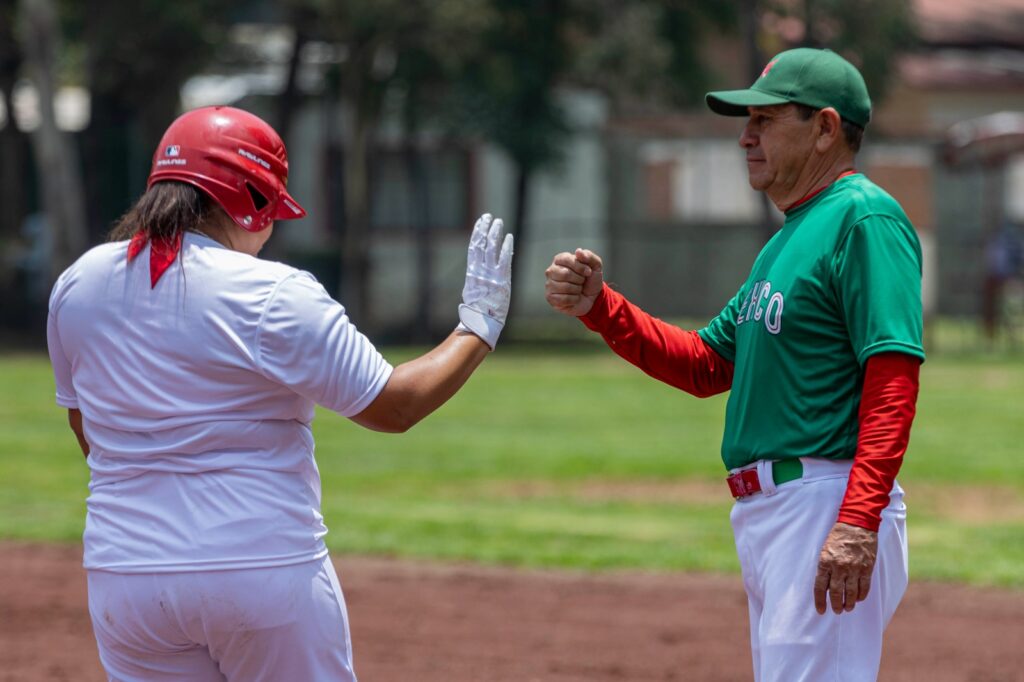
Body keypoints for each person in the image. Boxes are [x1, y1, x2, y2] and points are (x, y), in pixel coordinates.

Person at [46, 105, 513, 681]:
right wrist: (479, 325)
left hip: (125, 577)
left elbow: (88, 432)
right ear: (251, 199)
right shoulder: (273, 291)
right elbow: (395, 405)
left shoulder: (78, 283)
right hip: (260, 568)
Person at [545, 48, 923, 681]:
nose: (745, 136)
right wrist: (601, 308)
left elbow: (892, 379)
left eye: (767, 119)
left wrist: (857, 520)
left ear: (826, 127)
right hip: (775, 514)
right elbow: (705, 364)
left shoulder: (864, 218)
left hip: (824, 501)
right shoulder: (787, 239)